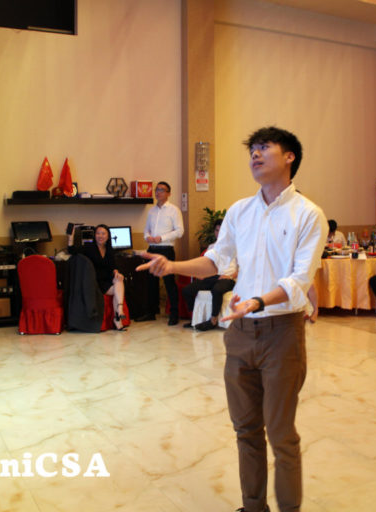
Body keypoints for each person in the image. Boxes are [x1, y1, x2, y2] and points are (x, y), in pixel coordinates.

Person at [137, 126, 327, 512]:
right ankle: (253, 507)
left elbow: (299, 281)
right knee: (246, 430)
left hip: (282, 334)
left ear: (289, 156)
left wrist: (257, 301)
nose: (255, 155)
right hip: (240, 332)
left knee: (281, 434)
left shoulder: (309, 214)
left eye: (264, 148)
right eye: (252, 149)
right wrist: (172, 266)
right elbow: (216, 260)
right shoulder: (240, 211)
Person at [139, 181, 184, 325]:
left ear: (168, 193)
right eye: (157, 189)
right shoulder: (151, 211)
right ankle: (151, 312)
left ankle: (174, 314)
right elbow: (146, 229)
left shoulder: (174, 210)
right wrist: (147, 237)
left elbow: (180, 231)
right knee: (150, 282)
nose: (158, 192)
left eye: (162, 190)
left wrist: (161, 238)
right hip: (152, 249)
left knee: (169, 282)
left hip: (166, 249)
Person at [67, 224, 126, 330]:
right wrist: (70, 237)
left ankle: (118, 313)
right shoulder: (89, 247)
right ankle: (118, 315)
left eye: (103, 233)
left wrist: (117, 272)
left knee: (119, 280)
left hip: (107, 281)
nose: (100, 236)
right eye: (98, 233)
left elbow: (113, 266)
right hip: (95, 282)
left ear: (108, 236)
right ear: (95, 235)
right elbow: (71, 250)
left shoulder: (109, 249)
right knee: (118, 288)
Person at [181, 219, 237, 331]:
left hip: (227, 278)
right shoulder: (211, 247)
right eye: (216, 230)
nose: (218, 233)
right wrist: (202, 274)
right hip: (212, 276)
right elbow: (206, 264)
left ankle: (213, 320)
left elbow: (242, 267)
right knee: (187, 290)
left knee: (217, 290)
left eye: (221, 230)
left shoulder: (235, 246)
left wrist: (231, 276)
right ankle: (195, 319)